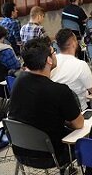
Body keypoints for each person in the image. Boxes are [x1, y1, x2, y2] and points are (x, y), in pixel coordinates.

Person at [8, 37, 83, 168]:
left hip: (20, 151)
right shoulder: (60, 91)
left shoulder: (18, 82)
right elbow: (78, 124)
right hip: (52, 155)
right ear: (49, 60)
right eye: (54, 52)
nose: (55, 56)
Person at [51, 29, 92, 110]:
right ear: (73, 43)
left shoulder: (51, 62)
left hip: (57, 108)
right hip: (79, 110)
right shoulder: (81, 65)